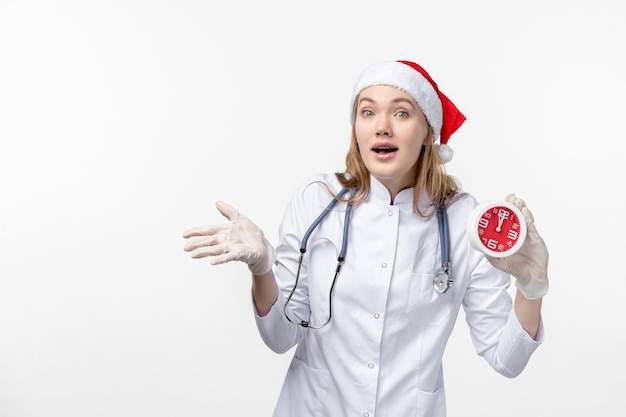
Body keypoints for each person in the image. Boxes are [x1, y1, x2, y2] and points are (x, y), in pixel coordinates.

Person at [183, 60, 549, 417]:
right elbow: (281, 336)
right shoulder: (317, 199)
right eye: (368, 112)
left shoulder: (465, 221)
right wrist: (262, 267)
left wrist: (530, 287)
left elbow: (507, 359)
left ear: (428, 133)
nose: (382, 127)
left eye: (402, 113)